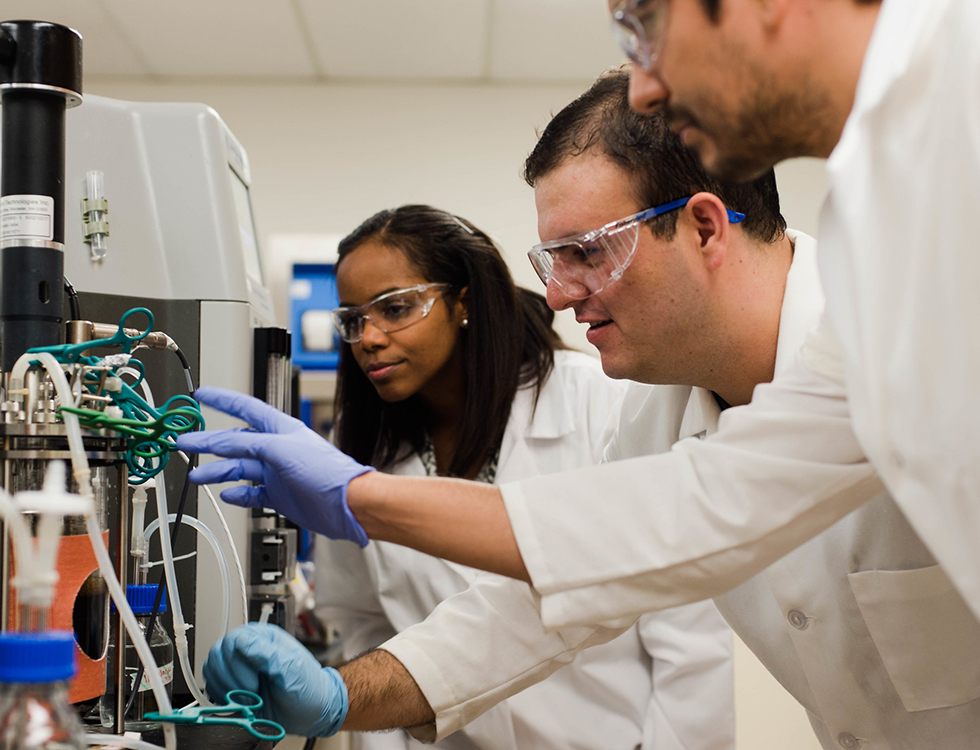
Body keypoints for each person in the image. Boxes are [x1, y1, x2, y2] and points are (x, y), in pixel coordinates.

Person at [184, 0, 980, 736]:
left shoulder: (917, 213)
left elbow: (682, 544)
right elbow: (564, 591)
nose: (557, 297)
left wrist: (361, 497)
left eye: (587, 254)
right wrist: (339, 698)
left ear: (705, 230)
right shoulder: (692, 398)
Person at [312, 203, 734, 750]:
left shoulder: (597, 404)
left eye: (394, 309)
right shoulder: (358, 444)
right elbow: (361, 621)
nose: (368, 337)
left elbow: (687, 631)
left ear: (463, 301)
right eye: (353, 319)